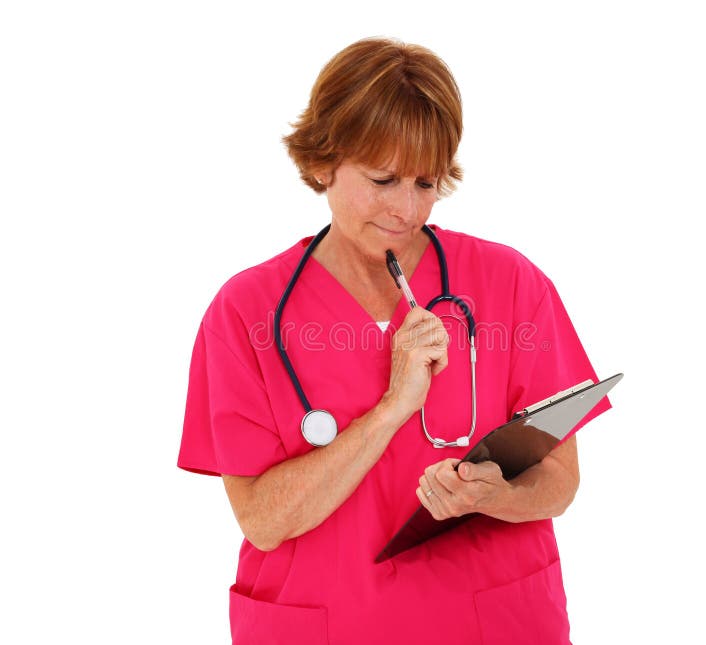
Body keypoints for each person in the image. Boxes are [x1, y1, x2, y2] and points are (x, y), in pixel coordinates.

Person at [178, 37, 610, 645]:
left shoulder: (510, 285)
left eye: (426, 183)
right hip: (327, 625)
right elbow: (263, 520)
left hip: (492, 622)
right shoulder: (247, 314)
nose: (406, 210)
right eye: (382, 180)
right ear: (323, 162)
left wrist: (501, 495)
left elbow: (560, 482)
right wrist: (391, 409)